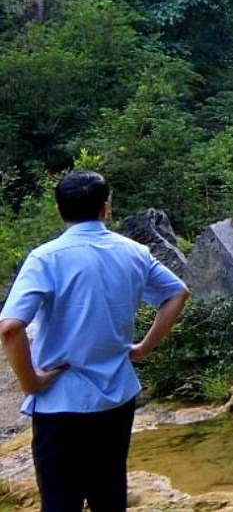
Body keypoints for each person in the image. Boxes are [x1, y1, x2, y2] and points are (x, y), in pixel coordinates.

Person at [0, 171, 190, 511]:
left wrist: (31, 382)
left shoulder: (46, 258)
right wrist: (144, 348)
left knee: (61, 502)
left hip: (60, 402)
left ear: (59, 210)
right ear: (106, 209)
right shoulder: (134, 252)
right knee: (109, 495)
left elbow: (11, 328)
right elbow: (177, 293)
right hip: (116, 396)